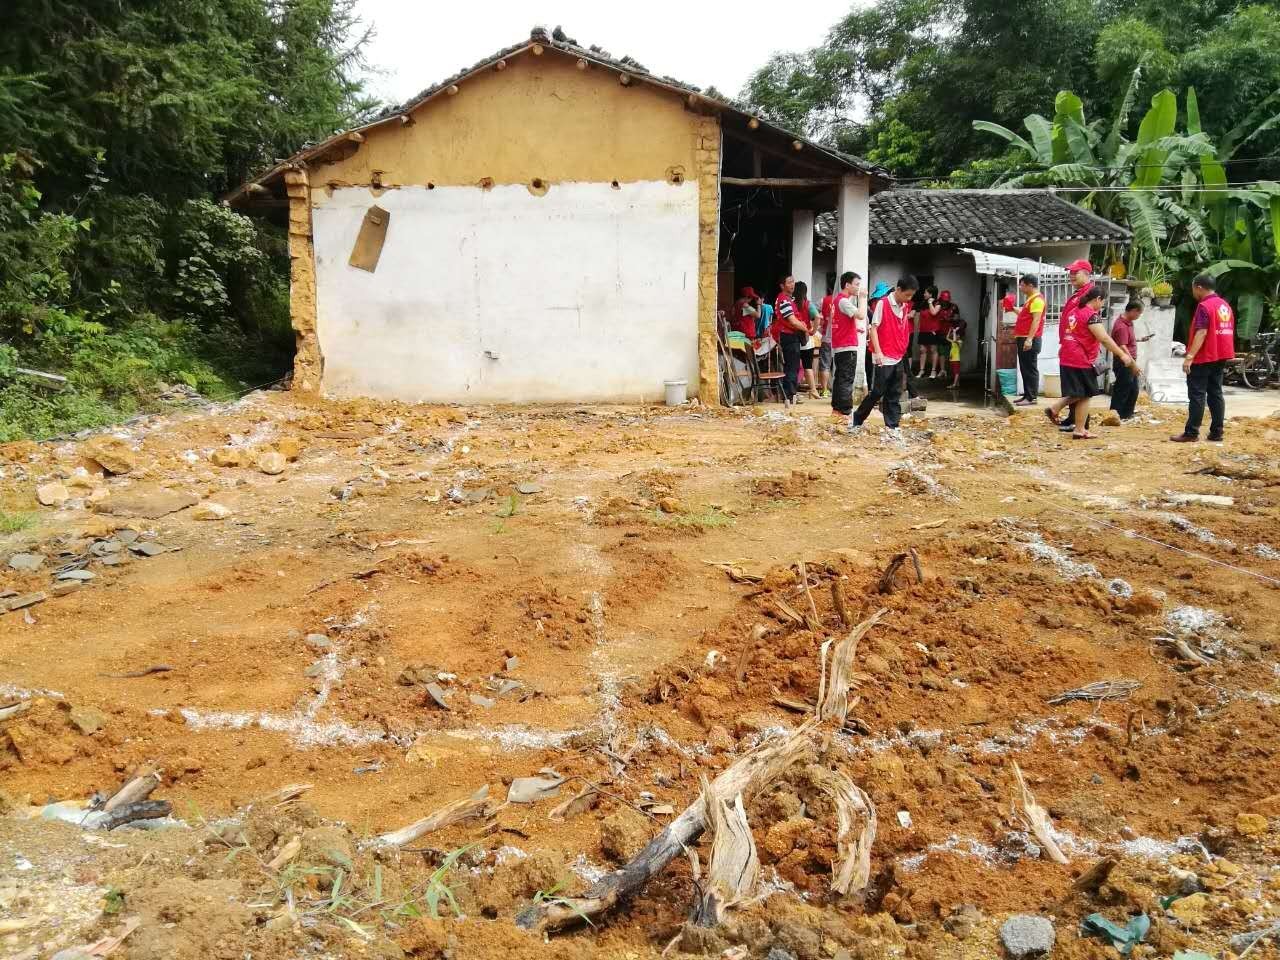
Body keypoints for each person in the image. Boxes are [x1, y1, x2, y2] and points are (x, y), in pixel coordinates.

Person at [1045, 284, 1139, 439]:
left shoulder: (1074, 311)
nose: (1102, 306)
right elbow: (1103, 338)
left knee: (1082, 393)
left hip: (1068, 356)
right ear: (1098, 299)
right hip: (1080, 358)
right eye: (1102, 302)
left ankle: (1067, 418)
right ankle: (1071, 422)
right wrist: (1122, 355)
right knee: (1086, 393)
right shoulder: (1091, 315)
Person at [1172, 273, 1235, 443]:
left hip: (1204, 356)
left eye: (1193, 288)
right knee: (1215, 393)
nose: (1193, 292)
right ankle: (1217, 432)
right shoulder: (1224, 305)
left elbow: (1201, 332)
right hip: (1220, 355)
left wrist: (1189, 356)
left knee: (1197, 395)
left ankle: (1191, 433)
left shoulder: (1204, 306)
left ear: (1199, 287)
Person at [852, 275, 917, 433]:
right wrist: (879, 352)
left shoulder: (904, 306)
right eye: (907, 295)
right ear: (899, 289)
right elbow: (873, 328)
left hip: (898, 354)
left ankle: (892, 425)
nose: (908, 299)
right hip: (883, 355)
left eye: (911, 296)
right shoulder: (883, 303)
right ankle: (858, 418)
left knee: (894, 392)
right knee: (878, 391)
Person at [1057, 259, 1095, 433]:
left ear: (1086, 273)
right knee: (1077, 386)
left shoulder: (1089, 294)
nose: (1071, 276)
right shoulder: (1079, 293)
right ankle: (1074, 420)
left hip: (1080, 347)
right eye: (1070, 272)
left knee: (1081, 389)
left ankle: (1078, 423)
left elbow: (1090, 324)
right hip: (1071, 345)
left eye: (1075, 272)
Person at [829, 271, 864, 420]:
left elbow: (840, 322)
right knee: (846, 378)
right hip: (847, 346)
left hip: (840, 345)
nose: (858, 288)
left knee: (840, 378)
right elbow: (861, 315)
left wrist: (855, 329)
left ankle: (837, 409)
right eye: (856, 284)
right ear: (847, 285)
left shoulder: (837, 301)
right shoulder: (844, 301)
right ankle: (845, 411)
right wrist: (863, 299)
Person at [1108, 300, 1150, 420]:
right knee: (1123, 388)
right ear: (1133, 311)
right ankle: (1115, 415)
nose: (1139, 316)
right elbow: (1123, 347)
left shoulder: (1128, 323)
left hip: (1128, 361)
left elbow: (1126, 341)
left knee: (1132, 389)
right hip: (1124, 362)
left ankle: (1125, 414)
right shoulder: (1121, 326)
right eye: (1139, 313)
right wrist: (1133, 364)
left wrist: (1139, 339)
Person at [1012, 275, 1047, 406]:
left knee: (1030, 368)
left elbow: (1036, 320)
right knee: (1024, 367)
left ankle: (1031, 397)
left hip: (1029, 338)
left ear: (1030, 285)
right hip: (1024, 337)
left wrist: (1029, 339)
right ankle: (1027, 395)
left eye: (1022, 285)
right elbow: (1024, 315)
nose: (1020, 288)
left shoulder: (1037, 300)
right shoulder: (1030, 300)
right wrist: (1012, 308)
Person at [774, 275, 808, 409]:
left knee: (791, 366)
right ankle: (789, 395)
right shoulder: (784, 300)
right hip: (789, 336)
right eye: (789, 282)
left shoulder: (787, 299)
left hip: (788, 336)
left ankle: (790, 395)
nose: (792, 284)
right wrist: (806, 329)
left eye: (793, 281)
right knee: (792, 367)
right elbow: (792, 321)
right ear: (782, 286)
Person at [793, 281, 820, 398]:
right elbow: (817, 317)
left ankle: (792, 390)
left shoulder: (791, 304)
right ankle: (813, 390)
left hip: (793, 338)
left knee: (793, 366)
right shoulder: (808, 304)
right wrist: (813, 330)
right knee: (808, 366)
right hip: (806, 339)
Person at [914, 287, 944, 378]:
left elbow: (934, 313)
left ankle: (933, 371)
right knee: (922, 350)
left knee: (933, 350)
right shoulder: (923, 303)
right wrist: (917, 327)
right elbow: (920, 316)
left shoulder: (938, 303)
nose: (924, 294)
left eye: (926, 293)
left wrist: (930, 302)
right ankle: (921, 370)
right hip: (923, 330)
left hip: (933, 330)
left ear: (931, 294)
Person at [814, 281, 837, 398]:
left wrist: (820, 322)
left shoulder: (823, 300)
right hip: (840, 339)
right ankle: (837, 390)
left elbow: (814, 312)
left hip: (826, 338)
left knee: (825, 364)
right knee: (838, 365)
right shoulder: (844, 301)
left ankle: (825, 390)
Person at [945, 313, 966, 388]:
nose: (957, 336)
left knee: (956, 372)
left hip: (956, 359)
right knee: (955, 372)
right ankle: (957, 383)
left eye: (957, 335)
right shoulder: (954, 342)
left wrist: (954, 332)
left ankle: (954, 384)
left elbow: (954, 340)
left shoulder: (959, 342)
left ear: (959, 336)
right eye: (956, 335)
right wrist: (950, 331)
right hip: (952, 359)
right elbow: (947, 338)